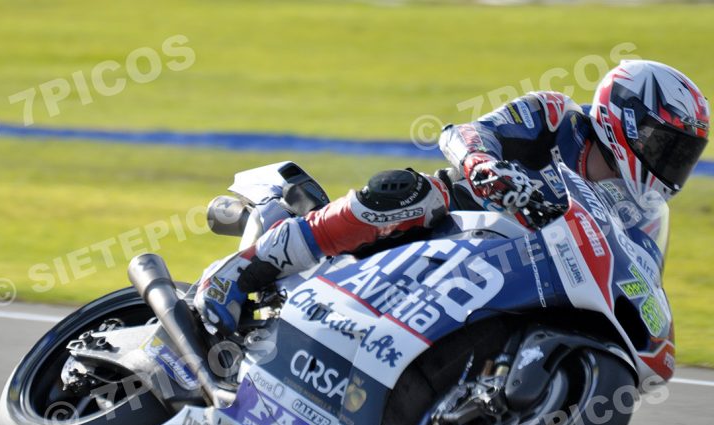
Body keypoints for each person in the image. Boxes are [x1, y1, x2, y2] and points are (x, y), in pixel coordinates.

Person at [194, 60, 709, 334]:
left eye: (683, 154)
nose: (670, 163)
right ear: (624, 118)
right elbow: (464, 133)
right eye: (665, 144)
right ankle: (242, 272)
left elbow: (638, 271)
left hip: (523, 273)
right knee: (407, 192)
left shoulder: (640, 210)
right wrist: (484, 167)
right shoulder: (556, 116)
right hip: (463, 214)